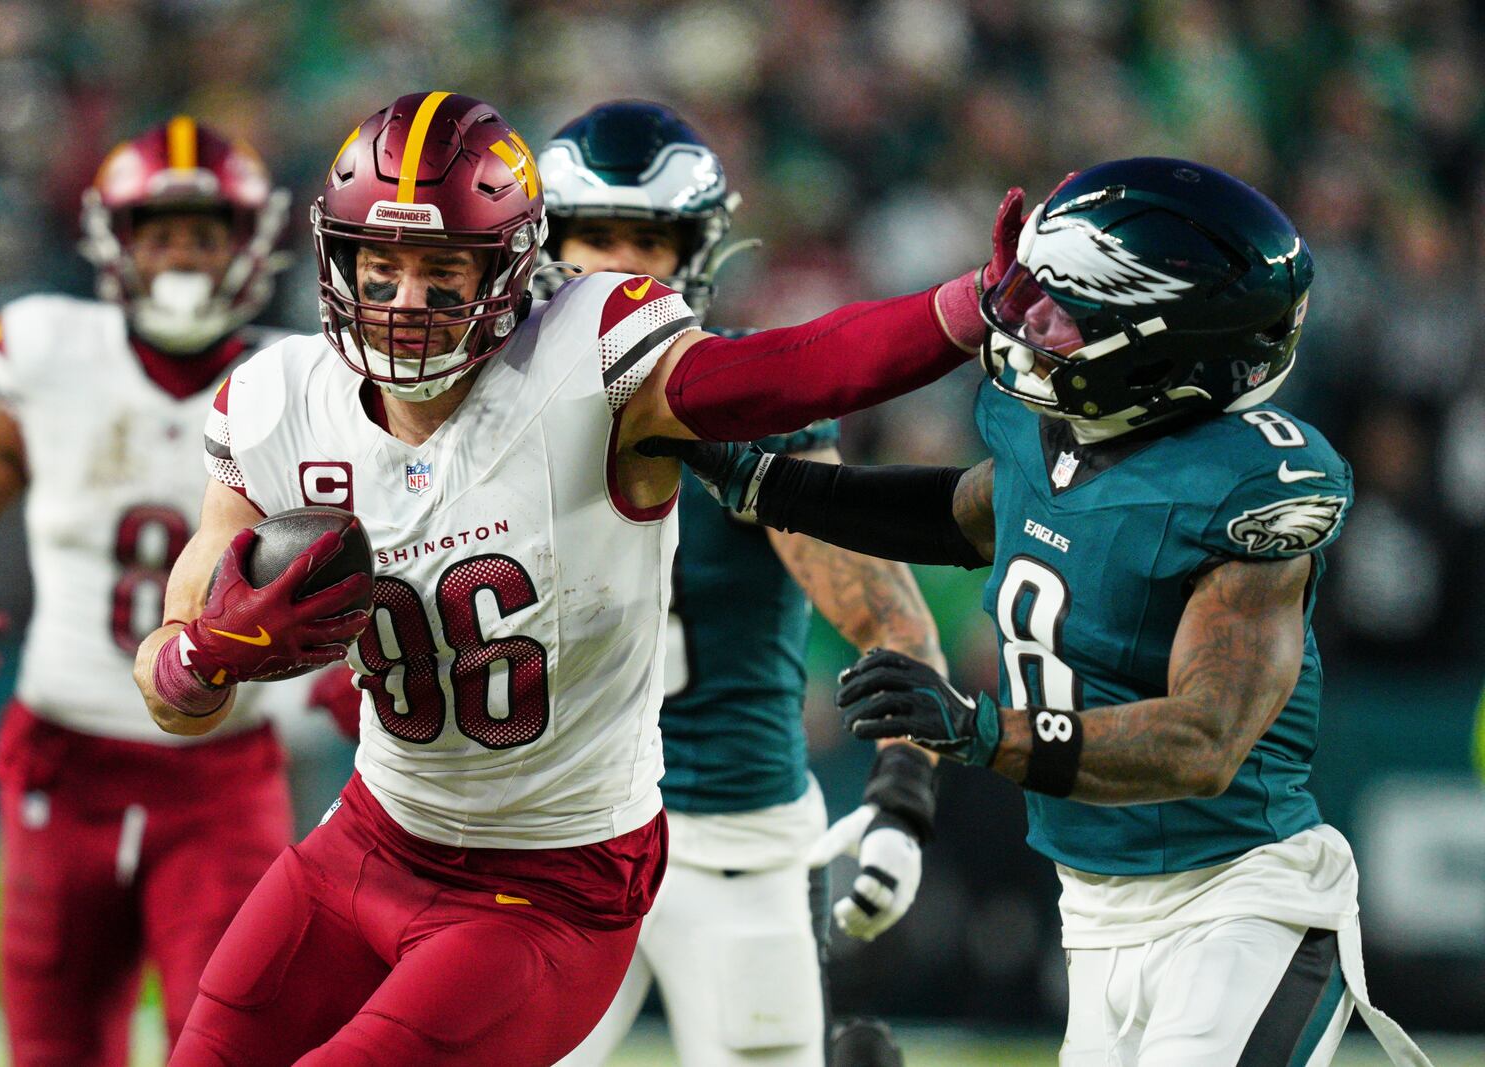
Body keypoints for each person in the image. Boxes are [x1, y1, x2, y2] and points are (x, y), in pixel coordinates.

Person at [133, 90, 1021, 1067]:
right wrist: (197, 659)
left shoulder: (604, 358)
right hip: (376, 835)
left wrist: (958, 310)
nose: (405, 302)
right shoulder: (279, 399)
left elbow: (784, 376)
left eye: (442, 270)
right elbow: (175, 668)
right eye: (379, 266)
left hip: (584, 867)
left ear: (509, 264)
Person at [646, 157, 1433, 1066]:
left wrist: (980, 730)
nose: (1031, 320)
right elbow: (961, 512)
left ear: (1163, 347)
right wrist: (762, 482)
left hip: (1239, 900)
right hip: (1092, 905)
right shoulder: (1051, 433)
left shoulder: (1251, 484)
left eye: (1071, 309)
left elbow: (1205, 740)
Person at [538, 100, 941, 1067]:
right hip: (549, 835)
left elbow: (889, 617)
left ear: (699, 255)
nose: (623, 272)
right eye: (598, 242)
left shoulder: (756, 411)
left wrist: (902, 793)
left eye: (650, 242)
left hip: (733, 833)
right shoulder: (491, 406)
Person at [0, 118, 296, 1066]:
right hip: (64, 768)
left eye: (206, 231)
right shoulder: (50, 350)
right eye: (160, 230)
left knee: (224, 1044)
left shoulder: (299, 376)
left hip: (220, 775)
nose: (183, 254)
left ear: (251, 243)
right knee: (54, 1048)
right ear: (115, 240)